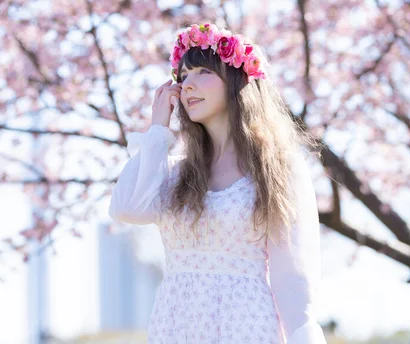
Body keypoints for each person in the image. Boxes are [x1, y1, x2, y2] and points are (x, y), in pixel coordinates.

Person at [109, 23, 327, 344]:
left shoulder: (275, 168)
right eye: (183, 77)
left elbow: (291, 277)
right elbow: (126, 209)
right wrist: (157, 130)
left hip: (246, 326)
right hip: (175, 326)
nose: (188, 86)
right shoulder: (174, 172)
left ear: (236, 80)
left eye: (201, 73)